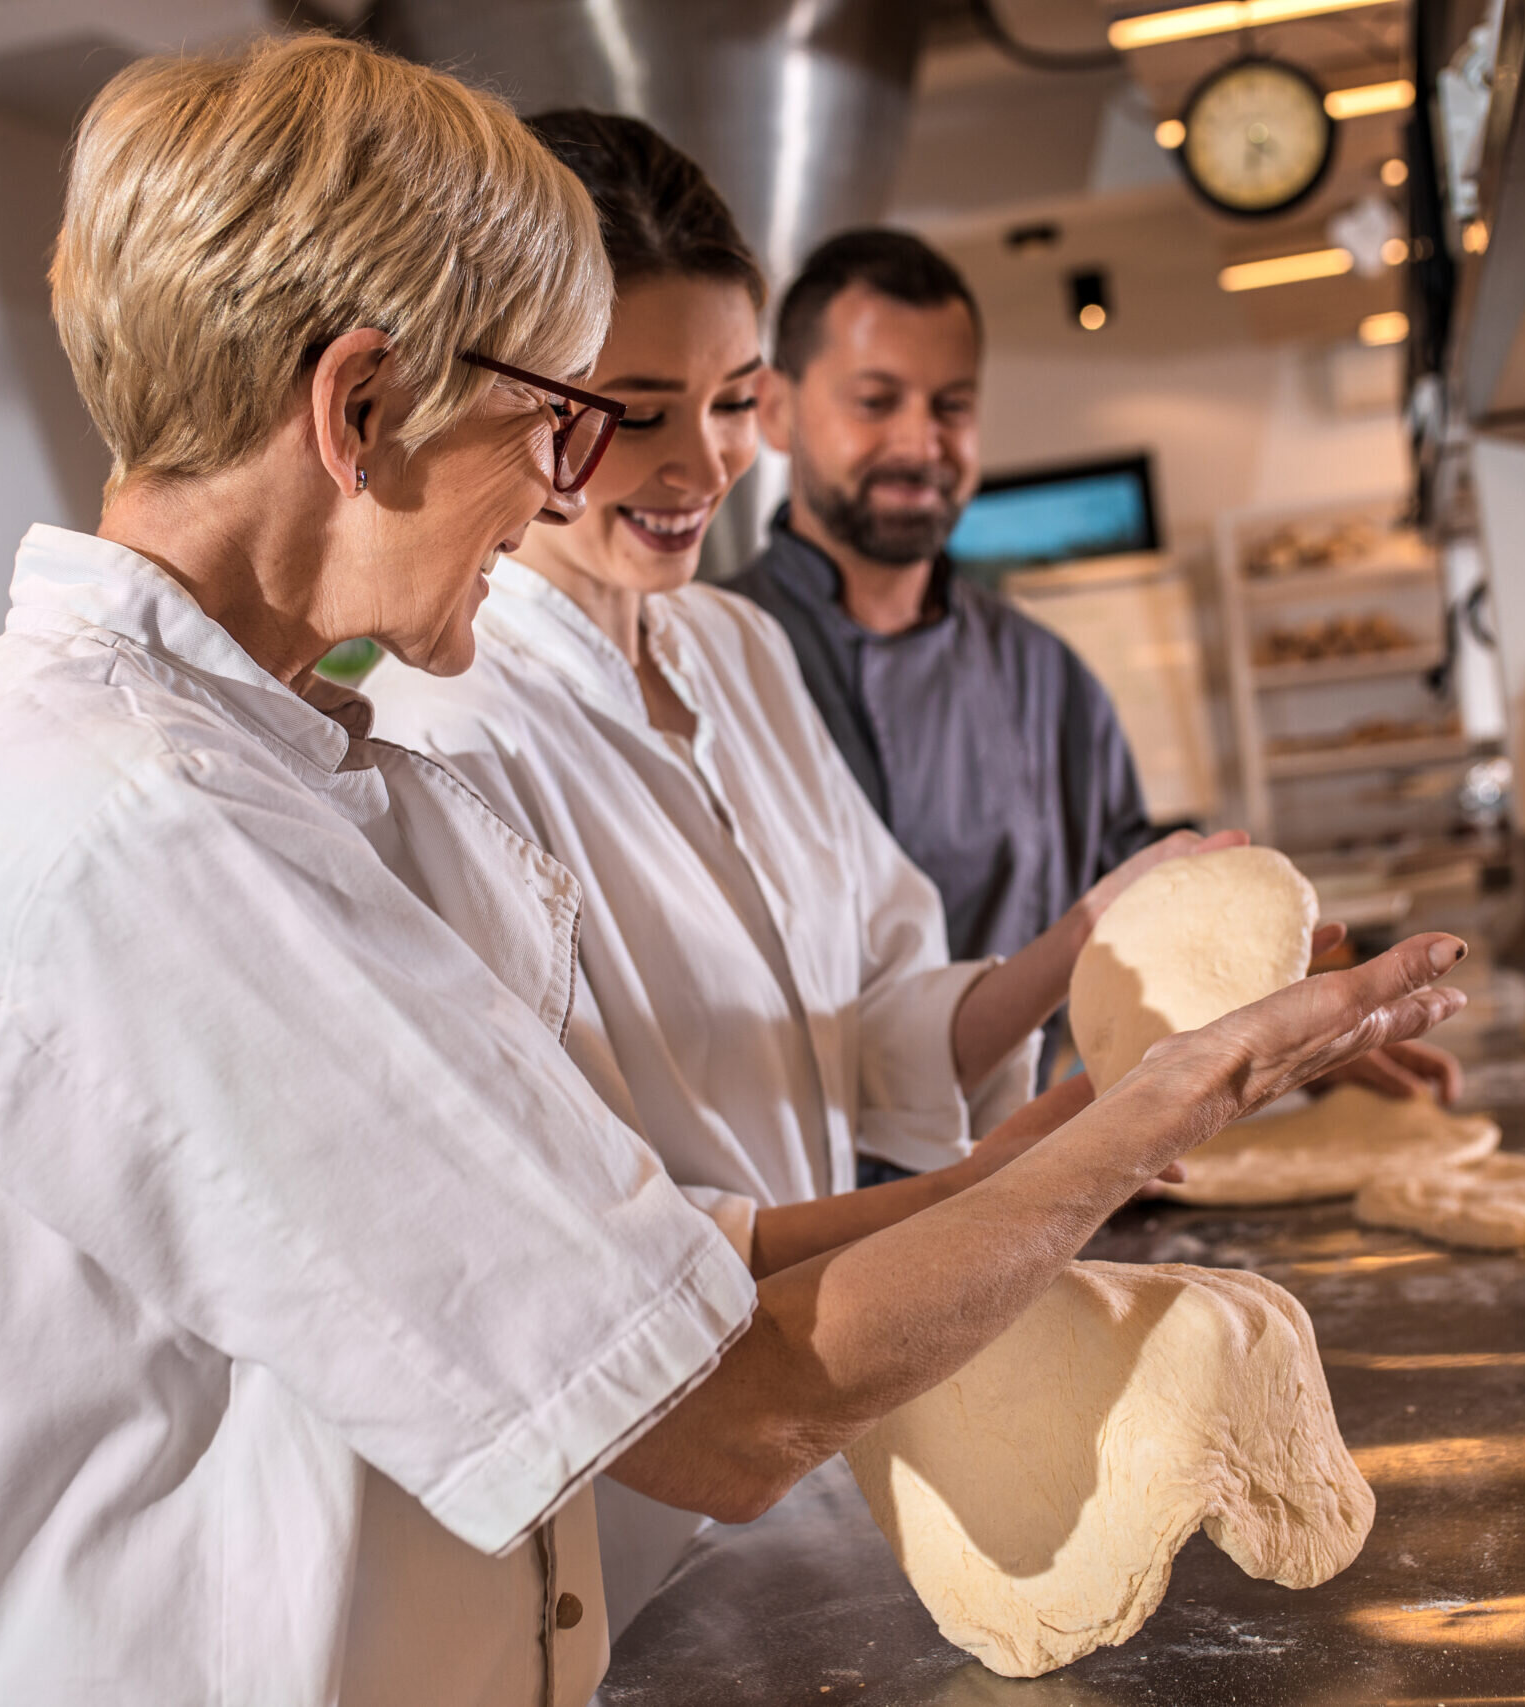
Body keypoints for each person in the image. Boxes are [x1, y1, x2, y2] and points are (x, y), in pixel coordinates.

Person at [0, 38, 1469, 1707]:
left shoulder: (248, 770)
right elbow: (722, 1406)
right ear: (359, 408)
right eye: (553, 417)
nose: (564, 485)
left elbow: (646, 1256)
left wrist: (1039, 1152)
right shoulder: (141, 831)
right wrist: (1164, 1103)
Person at [359, 111, 1239, 1627]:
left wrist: (1091, 936)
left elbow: (882, 1015)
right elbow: (586, 1227)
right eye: (638, 410)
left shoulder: (736, 648)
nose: (705, 462)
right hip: (641, 1478)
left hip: (833, 1390)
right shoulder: (445, 731)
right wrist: (1015, 1180)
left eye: (730, 400)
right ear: (521, 401)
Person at [731, 228, 1464, 1107]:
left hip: (1033, 1152)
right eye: (875, 401)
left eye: (952, 406)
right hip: (791, 1169)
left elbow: (1140, 909)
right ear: (774, 409)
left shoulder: (1044, 676)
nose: (921, 442)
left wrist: (1290, 1016)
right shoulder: (706, 663)